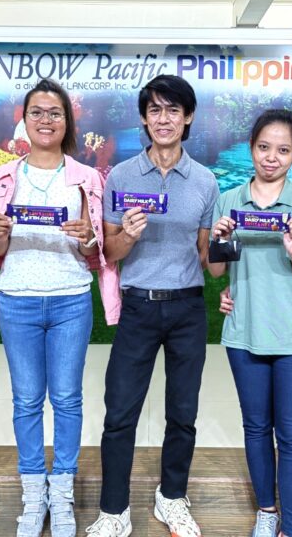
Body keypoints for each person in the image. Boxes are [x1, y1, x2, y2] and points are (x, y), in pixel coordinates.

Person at [0, 78, 121, 537]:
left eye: (55, 112)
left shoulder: (87, 177)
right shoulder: (0, 178)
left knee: (69, 400)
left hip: (71, 299)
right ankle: (33, 497)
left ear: (67, 121)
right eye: (37, 111)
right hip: (17, 300)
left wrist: (90, 238)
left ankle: (63, 493)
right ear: (24, 118)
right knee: (27, 400)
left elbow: (99, 248)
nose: (46, 120)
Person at [85, 75, 219, 537]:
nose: (165, 119)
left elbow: (208, 259)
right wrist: (128, 234)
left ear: (188, 118)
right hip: (139, 307)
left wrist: (225, 248)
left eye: (174, 111)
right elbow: (111, 254)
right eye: (156, 110)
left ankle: (172, 498)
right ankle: (113, 509)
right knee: (120, 411)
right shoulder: (121, 176)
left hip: (186, 309)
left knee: (183, 412)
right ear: (144, 119)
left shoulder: (204, 180)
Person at [213, 109, 292, 537]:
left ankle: (291, 529)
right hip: (244, 332)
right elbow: (218, 273)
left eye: (283, 150)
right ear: (251, 149)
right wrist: (221, 241)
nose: (271, 157)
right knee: (256, 427)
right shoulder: (229, 200)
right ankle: (266, 511)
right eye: (264, 148)